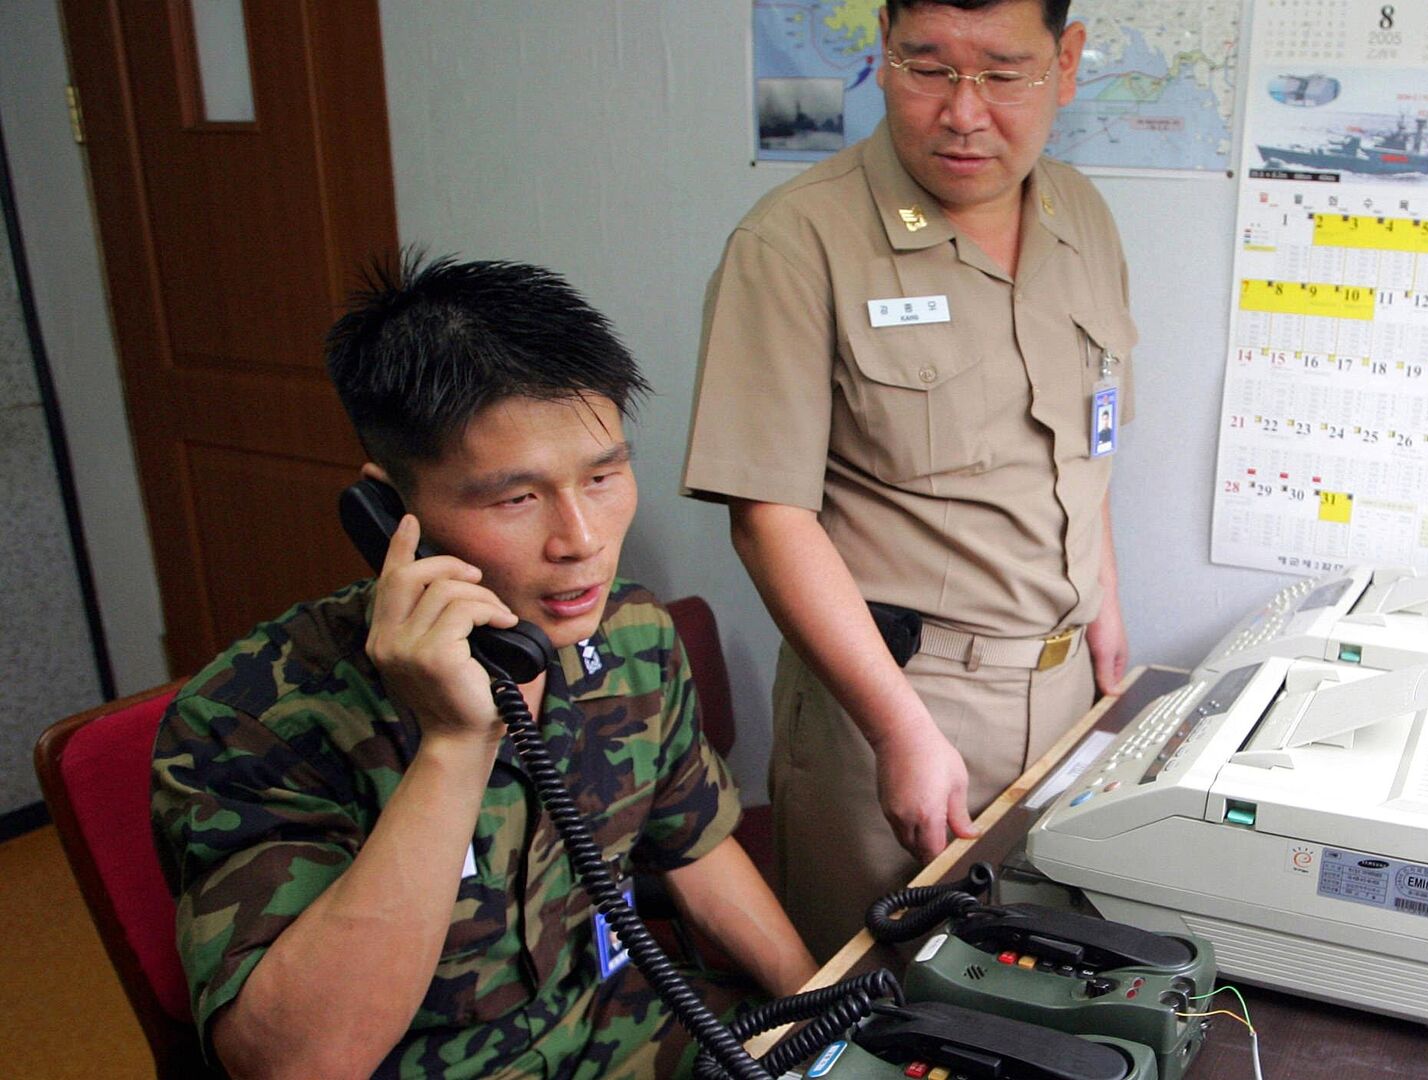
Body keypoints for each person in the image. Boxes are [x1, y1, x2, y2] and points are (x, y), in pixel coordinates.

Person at [152, 256, 816, 1079]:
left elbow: (697, 849)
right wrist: (453, 741)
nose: (581, 539)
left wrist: (825, 1022)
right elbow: (296, 1064)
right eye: (516, 499)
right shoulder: (251, 714)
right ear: (390, 513)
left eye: (604, 476)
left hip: (633, 1035)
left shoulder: (635, 634)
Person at [683, 0, 1138, 959]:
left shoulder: (1079, 215)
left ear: (1065, 61)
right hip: (896, 705)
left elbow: (1086, 451)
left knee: (1028, 994)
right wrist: (899, 727)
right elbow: (768, 515)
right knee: (877, 1007)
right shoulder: (796, 243)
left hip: (1063, 702)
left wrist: (1105, 616)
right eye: (927, 68)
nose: (963, 113)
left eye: (1003, 74)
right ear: (882, 54)